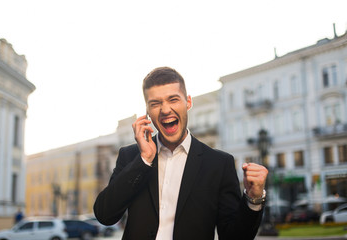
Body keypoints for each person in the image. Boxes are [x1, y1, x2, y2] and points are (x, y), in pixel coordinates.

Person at [94, 66, 268, 240]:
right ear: (147, 111)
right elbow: (105, 215)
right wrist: (144, 161)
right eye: (155, 103)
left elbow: (233, 237)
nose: (165, 110)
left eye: (173, 99)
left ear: (188, 102)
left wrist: (253, 199)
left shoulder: (219, 164)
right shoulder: (131, 156)